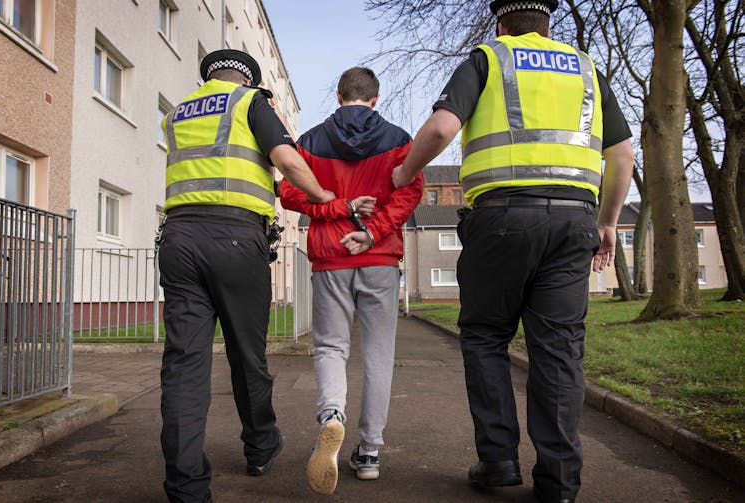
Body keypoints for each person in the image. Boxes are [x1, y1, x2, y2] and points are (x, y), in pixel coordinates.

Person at [392, 2, 634, 502]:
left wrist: (404, 172)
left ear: (500, 23)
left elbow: (440, 129)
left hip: (500, 218)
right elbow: (623, 155)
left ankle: (499, 460)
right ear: (549, 26)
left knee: (484, 336)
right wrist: (607, 223)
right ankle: (560, 482)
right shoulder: (586, 68)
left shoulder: (489, 58)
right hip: (573, 222)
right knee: (559, 351)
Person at [158, 49, 334, 503]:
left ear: (209, 76)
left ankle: (186, 486)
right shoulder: (249, 103)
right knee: (247, 355)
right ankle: (260, 445)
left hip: (178, 238)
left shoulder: (177, 113)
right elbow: (288, 160)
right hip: (235, 237)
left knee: (183, 364)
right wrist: (323, 194)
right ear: (247, 79)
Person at [279, 67, 424, 495]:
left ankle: (330, 418)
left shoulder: (308, 141)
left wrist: (336, 208)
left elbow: (288, 193)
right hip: (379, 256)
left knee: (330, 347)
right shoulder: (399, 138)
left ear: (338, 95)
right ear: (375, 99)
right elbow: (410, 191)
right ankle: (370, 453)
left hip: (330, 257)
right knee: (378, 353)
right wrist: (374, 230)